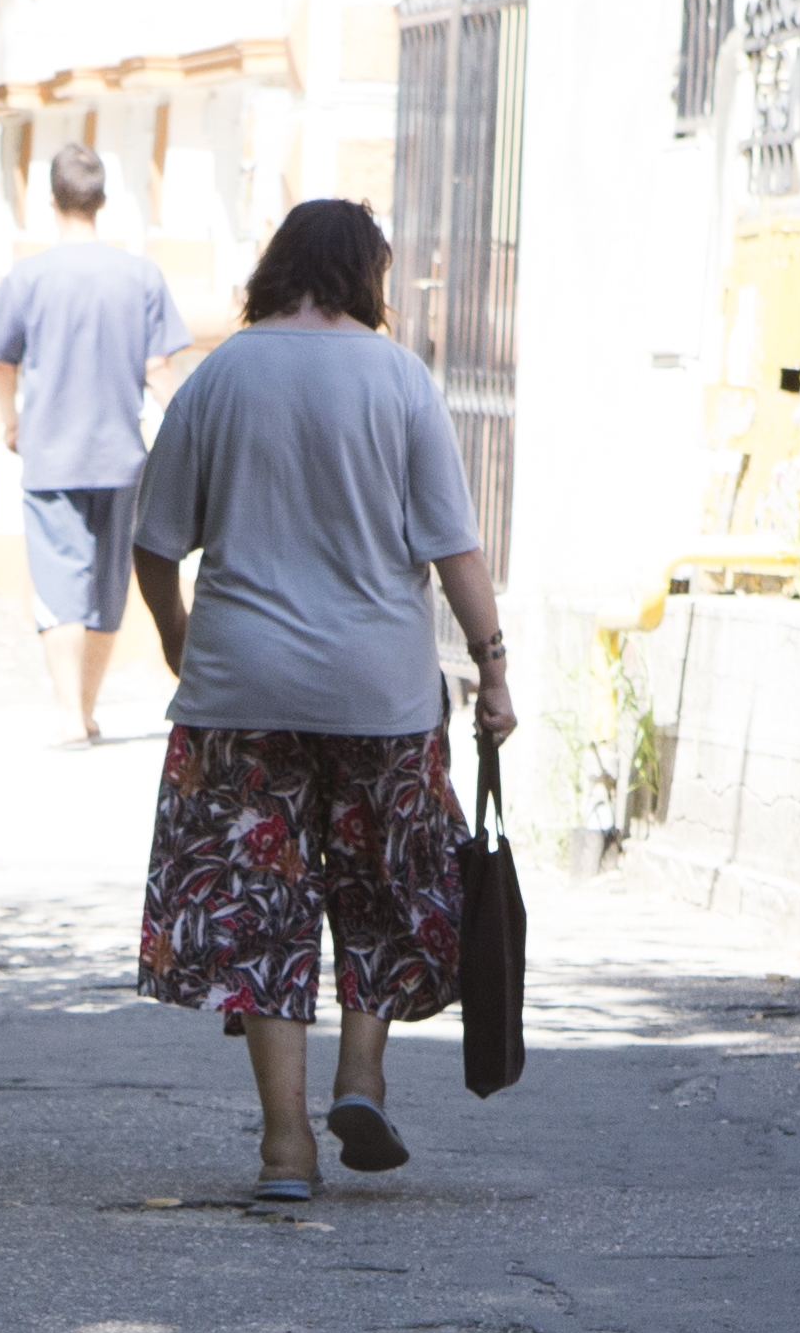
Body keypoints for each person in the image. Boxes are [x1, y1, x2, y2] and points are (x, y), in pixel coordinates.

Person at [126, 197, 515, 1200]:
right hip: (378, 692)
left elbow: (155, 541)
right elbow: (453, 548)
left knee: (259, 908)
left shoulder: (219, 374)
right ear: (367, 274)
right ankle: (362, 1071)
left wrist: (181, 642)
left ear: (280, 265)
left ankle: (284, 1148)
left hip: (237, 688)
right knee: (380, 888)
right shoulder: (398, 380)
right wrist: (494, 666)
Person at [0, 144, 197, 744]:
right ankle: (88, 707)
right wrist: (194, 432)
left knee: (59, 585)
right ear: (103, 201)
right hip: (121, 455)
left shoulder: (28, 277)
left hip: (50, 456)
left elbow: (1, 363)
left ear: (50, 199)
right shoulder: (140, 276)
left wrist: (9, 422)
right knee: (108, 587)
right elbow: (159, 370)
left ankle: (71, 713)